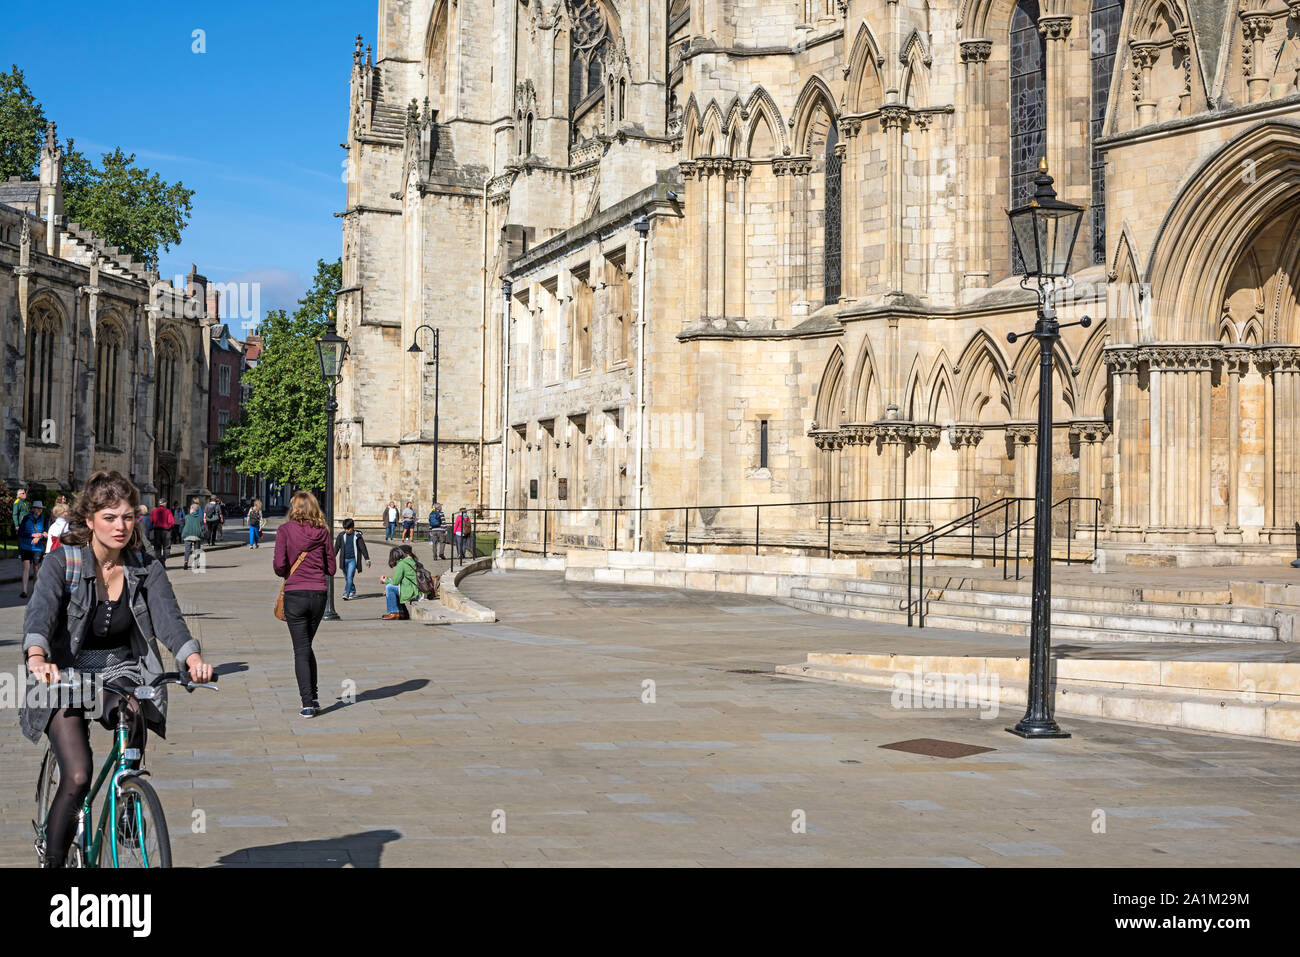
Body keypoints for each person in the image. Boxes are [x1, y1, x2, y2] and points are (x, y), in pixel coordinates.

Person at [20, 469, 213, 869]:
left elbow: (168, 619)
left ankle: (128, 797)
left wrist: (191, 658)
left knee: (138, 702)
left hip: (119, 670)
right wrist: (37, 657)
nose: (120, 526)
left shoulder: (145, 567)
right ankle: (53, 863)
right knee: (77, 777)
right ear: (89, 520)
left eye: (127, 516)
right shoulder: (63, 562)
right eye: (109, 517)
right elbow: (39, 614)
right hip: (64, 675)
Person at [273, 490, 336, 718]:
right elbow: (332, 568)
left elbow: (279, 566)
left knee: (301, 649)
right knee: (306, 645)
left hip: (295, 594)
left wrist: (290, 567)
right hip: (318, 594)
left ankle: (307, 703)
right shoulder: (323, 532)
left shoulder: (284, 531)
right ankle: (315, 695)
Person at [334, 518, 372, 601]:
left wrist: (367, 559)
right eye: (345, 529)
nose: (346, 530)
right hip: (344, 560)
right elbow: (336, 547)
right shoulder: (341, 536)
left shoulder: (357, 536)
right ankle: (353, 590)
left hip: (353, 560)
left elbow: (363, 548)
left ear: (352, 527)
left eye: (348, 529)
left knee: (350, 577)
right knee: (347, 578)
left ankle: (346, 593)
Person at [18, 500, 48, 598]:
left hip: (38, 548)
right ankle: (24, 591)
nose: (39, 510)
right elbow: (20, 533)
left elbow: (46, 533)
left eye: (40, 508)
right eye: (37, 508)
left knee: (36, 569)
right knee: (25, 567)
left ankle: (35, 591)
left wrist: (39, 537)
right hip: (25, 546)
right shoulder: (26, 518)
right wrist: (32, 534)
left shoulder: (44, 519)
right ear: (33, 509)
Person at [380, 546, 418, 621]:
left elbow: (395, 582)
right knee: (391, 588)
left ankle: (394, 612)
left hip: (411, 591)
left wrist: (384, 580)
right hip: (415, 589)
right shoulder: (413, 561)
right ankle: (401, 612)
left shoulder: (402, 564)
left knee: (389, 587)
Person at [148, 499, 175, 565]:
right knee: (167, 547)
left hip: (157, 531)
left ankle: (160, 561)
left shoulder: (154, 511)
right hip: (166, 531)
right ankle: (163, 560)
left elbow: (151, 521)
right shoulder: (168, 511)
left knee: (157, 547)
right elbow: (171, 522)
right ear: (165, 504)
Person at [181, 503, 204, 570]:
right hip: (197, 535)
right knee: (197, 550)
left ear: (192, 509)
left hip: (187, 535)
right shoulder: (200, 517)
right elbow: (203, 527)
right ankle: (196, 563)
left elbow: (183, 525)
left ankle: (186, 562)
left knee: (187, 550)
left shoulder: (187, 517)